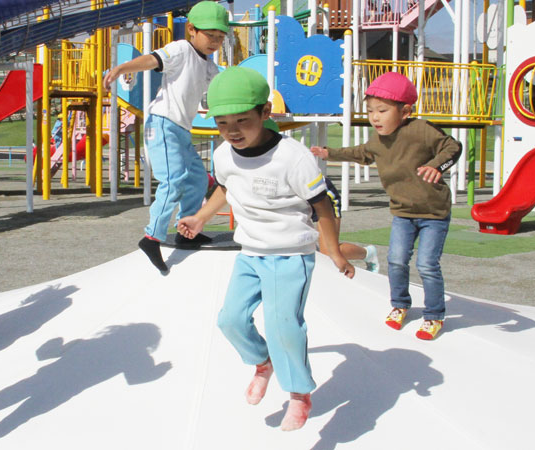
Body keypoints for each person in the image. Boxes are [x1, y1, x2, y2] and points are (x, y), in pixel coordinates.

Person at [177, 67, 355, 431]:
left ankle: (299, 393)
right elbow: (226, 188)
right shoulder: (225, 154)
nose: (232, 131)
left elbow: (322, 205)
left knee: (283, 326)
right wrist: (199, 218)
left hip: (290, 255)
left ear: (265, 113)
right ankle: (264, 363)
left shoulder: (293, 158)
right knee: (230, 320)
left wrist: (333, 250)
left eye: (243, 120)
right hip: (250, 254)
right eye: (223, 123)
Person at [310, 72, 461, 341]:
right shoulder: (377, 141)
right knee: (396, 260)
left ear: (405, 111)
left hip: (434, 213)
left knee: (427, 264)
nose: (375, 117)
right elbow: (359, 153)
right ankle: (400, 304)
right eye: (370, 111)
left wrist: (436, 166)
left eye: (382, 110)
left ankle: (434, 314)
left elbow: (452, 147)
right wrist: (328, 152)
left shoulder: (420, 130)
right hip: (403, 212)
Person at [102, 0, 228, 272]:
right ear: (192, 30)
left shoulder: (208, 65)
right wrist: (123, 68)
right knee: (173, 181)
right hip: (161, 124)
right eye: (211, 36)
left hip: (181, 129)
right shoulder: (181, 49)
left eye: (220, 38)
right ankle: (151, 237)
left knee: (195, 179)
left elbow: (224, 86)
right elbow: (153, 59)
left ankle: (186, 230)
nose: (215, 42)